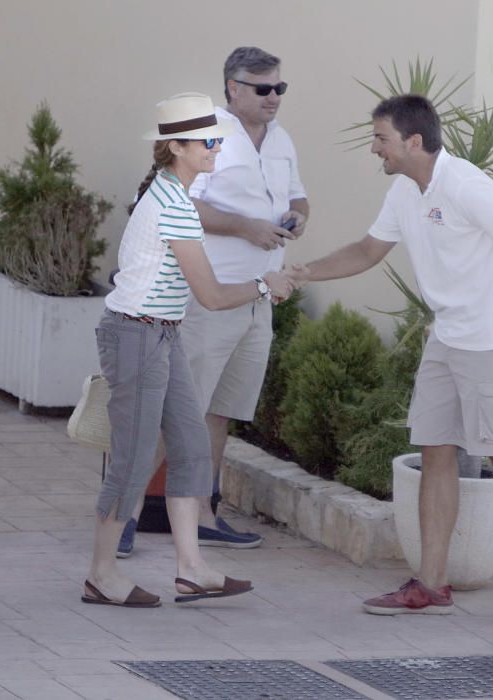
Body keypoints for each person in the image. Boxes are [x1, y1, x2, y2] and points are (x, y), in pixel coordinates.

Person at [288, 94, 493, 615]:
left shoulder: (465, 184)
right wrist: (303, 272)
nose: (375, 149)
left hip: (490, 339)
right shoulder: (404, 191)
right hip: (445, 338)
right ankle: (431, 583)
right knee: (435, 451)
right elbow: (367, 251)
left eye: (381, 139)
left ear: (413, 141)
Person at [83, 93, 292, 607]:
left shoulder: (170, 192)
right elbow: (214, 296)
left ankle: (192, 568)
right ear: (175, 147)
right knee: (132, 463)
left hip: (162, 331)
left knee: (191, 447)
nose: (216, 148)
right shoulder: (174, 204)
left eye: (217, 139)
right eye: (207, 142)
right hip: (138, 335)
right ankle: (100, 575)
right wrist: (266, 286)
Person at [183, 46, 308, 548]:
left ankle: (204, 515)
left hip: (260, 299)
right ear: (233, 87)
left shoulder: (281, 140)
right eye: (263, 89)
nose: (274, 97)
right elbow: (181, 205)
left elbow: (298, 195)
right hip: (209, 294)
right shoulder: (208, 132)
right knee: (182, 407)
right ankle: (124, 516)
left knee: (219, 410)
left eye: (279, 87)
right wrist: (244, 228)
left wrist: (298, 216)